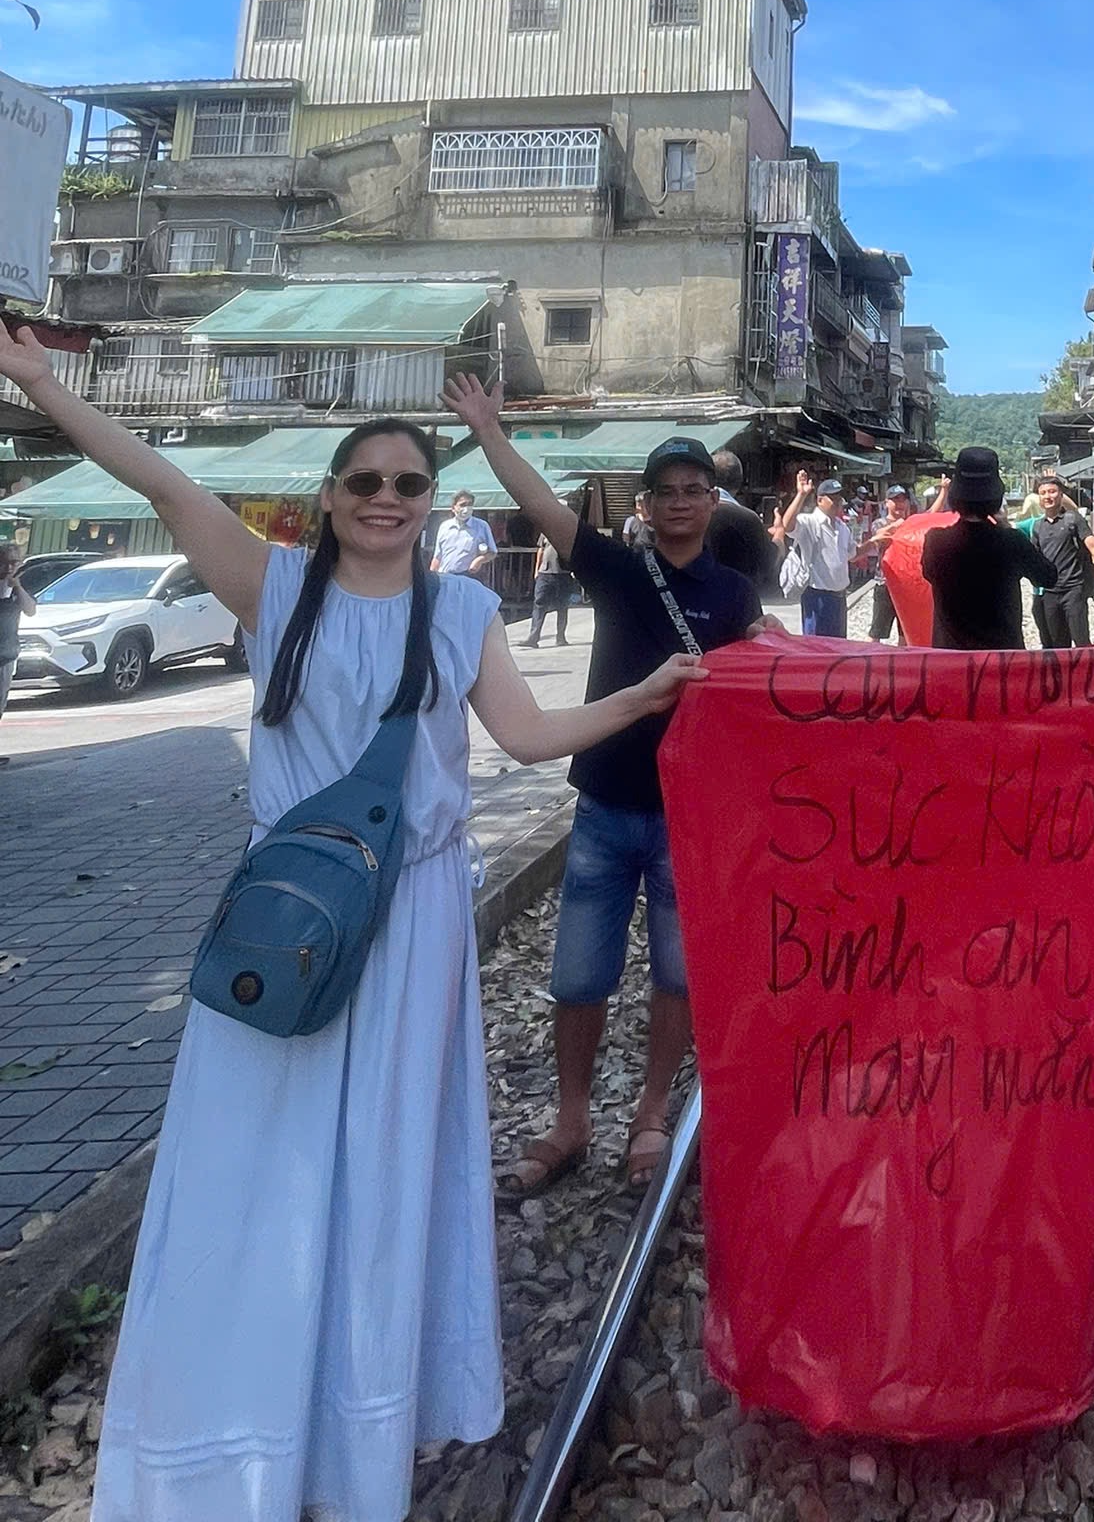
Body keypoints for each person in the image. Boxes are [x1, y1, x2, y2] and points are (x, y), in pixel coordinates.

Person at [0, 325, 700, 1522]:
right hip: (295, 913)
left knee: (385, 1152)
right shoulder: (271, 586)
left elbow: (527, 736)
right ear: (327, 496)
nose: (387, 497)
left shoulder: (463, 607)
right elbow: (158, 477)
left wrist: (640, 696)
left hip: (416, 916)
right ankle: (235, 1424)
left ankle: (354, 1416)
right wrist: (40, 383)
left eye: (408, 483)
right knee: (257, 1155)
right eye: (365, 480)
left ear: (431, 501)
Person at [443, 375, 762, 1197]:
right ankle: (571, 1119)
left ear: (713, 501)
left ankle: (653, 1109)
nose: (681, 503)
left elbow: (775, 683)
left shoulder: (735, 595)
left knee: (678, 974)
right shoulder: (615, 569)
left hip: (690, 814)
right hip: (606, 807)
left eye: (694, 490)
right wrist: (488, 431)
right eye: (666, 492)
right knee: (579, 975)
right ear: (645, 506)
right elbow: (542, 505)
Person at [923, 445, 1057, 647]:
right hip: (1003, 657)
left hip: (952, 656)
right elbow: (1048, 577)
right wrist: (1006, 526)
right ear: (996, 495)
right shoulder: (1011, 541)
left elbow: (929, 575)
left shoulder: (936, 541)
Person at [1030, 476, 1094, 646]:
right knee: (1057, 645)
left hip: (1074, 589)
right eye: (1043, 493)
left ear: (1061, 494)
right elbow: (1034, 558)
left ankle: (1085, 664)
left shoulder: (1073, 519)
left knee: (1081, 640)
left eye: (1052, 491)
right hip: (1050, 592)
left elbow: (1092, 544)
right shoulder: (1038, 526)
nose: (1048, 496)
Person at [775, 470, 856, 638]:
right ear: (820, 500)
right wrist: (801, 494)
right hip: (817, 596)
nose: (837, 501)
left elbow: (852, 554)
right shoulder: (809, 522)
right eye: (832, 498)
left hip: (839, 598)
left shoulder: (842, 528)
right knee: (815, 645)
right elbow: (787, 525)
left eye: (838, 497)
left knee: (838, 646)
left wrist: (875, 542)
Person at [706, 447, 782, 600]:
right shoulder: (748, 519)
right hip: (737, 603)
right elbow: (769, 562)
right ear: (740, 481)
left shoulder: (692, 512)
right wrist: (779, 533)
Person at [858, 486, 919, 639]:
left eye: (902, 500)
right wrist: (897, 524)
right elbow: (879, 536)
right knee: (877, 632)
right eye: (895, 500)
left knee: (905, 633)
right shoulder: (879, 523)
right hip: (884, 582)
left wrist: (943, 492)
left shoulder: (911, 523)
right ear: (886, 503)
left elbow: (930, 515)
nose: (900, 504)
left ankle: (902, 655)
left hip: (906, 584)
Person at [0, 539, 36, 767]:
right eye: (5, 563)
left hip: (6, 655)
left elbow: (30, 610)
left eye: (15, 563)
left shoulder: (16, 589)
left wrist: (17, 587)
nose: (10, 568)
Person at [431, 489, 496, 578]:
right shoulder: (444, 526)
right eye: (462, 505)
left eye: (470, 504)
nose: (466, 508)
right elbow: (437, 557)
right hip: (445, 576)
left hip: (468, 576)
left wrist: (478, 560)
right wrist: (431, 577)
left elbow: (492, 552)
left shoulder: (482, 526)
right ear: (453, 508)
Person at [525, 532, 574, 648]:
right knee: (539, 604)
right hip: (545, 573)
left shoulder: (569, 531)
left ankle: (560, 637)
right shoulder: (545, 532)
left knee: (562, 606)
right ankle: (533, 637)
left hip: (563, 573)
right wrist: (537, 570)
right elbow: (541, 550)